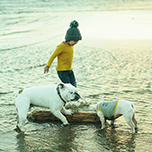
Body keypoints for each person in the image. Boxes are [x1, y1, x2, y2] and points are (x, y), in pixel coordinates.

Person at [44, 20, 82, 87]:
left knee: (74, 86)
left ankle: (73, 97)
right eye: (75, 41)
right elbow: (53, 56)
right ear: (69, 39)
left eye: (77, 42)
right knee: (68, 87)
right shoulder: (61, 46)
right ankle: (64, 96)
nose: (75, 43)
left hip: (70, 69)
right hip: (62, 71)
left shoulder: (71, 46)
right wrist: (48, 65)